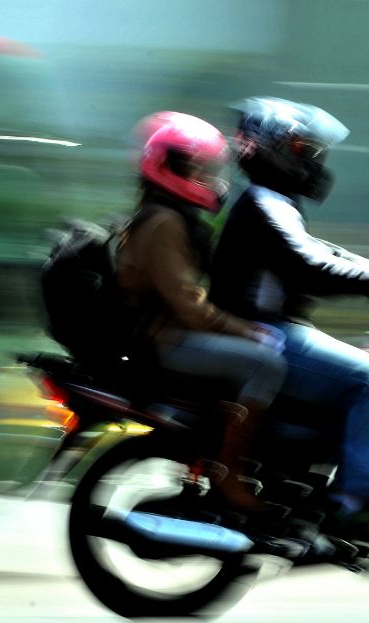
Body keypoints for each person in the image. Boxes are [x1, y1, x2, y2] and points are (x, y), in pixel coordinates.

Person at [210, 98, 369, 547]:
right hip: (264, 335)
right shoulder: (265, 205)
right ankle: (358, 502)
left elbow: (327, 254)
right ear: (270, 150)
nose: (312, 159)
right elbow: (313, 268)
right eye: (300, 148)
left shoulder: (271, 204)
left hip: (270, 332)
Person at [116, 111, 287, 513]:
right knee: (267, 365)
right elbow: (188, 306)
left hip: (167, 334)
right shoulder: (163, 222)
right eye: (198, 169)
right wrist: (246, 331)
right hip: (168, 341)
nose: (208, 179)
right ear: (166, 166)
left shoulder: (162, 216)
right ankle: (228, 471)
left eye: (208, 170)